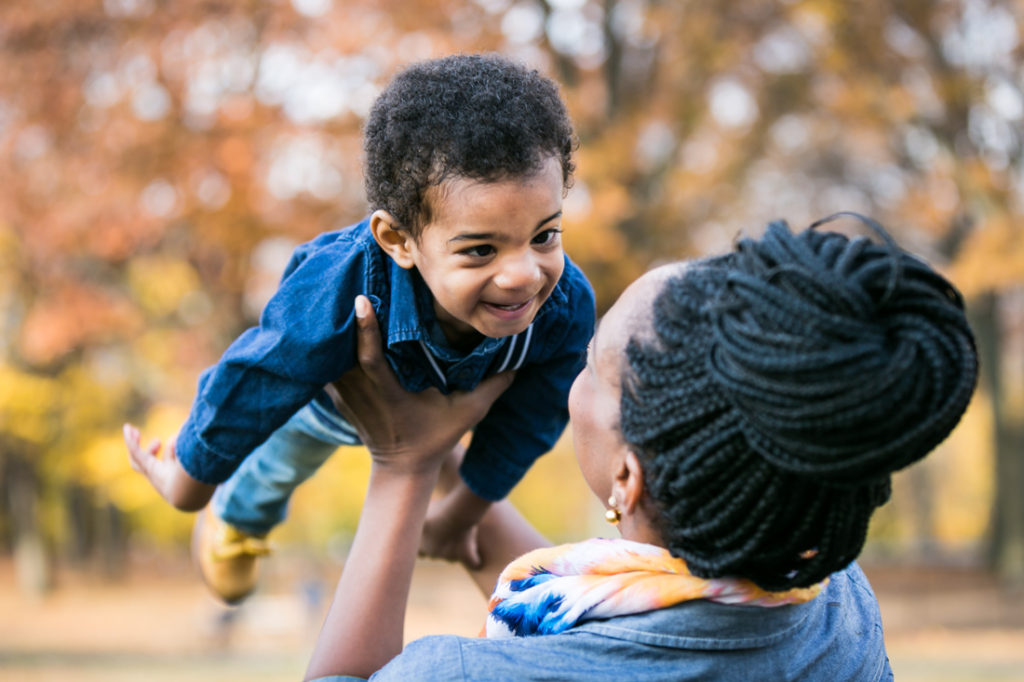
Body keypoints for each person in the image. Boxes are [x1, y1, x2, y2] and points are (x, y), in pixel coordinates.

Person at [303, 214, 978, 681]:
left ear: (628, 477)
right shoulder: (835, 606)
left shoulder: (456, 674)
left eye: (591, 366)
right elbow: (636, 630)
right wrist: (447, 464)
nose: (574, 376)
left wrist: (402, 468)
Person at [123, 54, 595, 604]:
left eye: (544, 235)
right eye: (481, 250)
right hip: (330, 397)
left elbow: (531, 422)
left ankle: (437, 459)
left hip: (453, 400)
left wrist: (460, 515)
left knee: (473, 443)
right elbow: (260, 370)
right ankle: (236, 522)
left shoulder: (564, 307)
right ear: (398, 241)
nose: (522, 274)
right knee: (281, 461)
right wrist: (191, 479)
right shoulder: (338, 287)